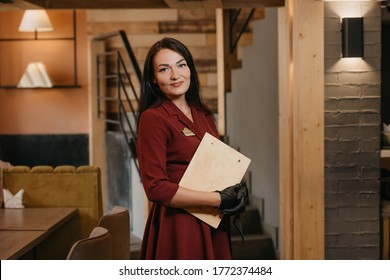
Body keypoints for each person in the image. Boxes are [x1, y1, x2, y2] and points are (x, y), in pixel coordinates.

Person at [136, 37, 248, 260]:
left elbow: (214, 163)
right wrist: (217, 199)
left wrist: (236, 189)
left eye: (181, 65)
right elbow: (156, 188)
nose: (176, 75)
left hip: (212, 221)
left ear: (189, 68)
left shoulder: (203, 113)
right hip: (179, 225)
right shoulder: (153, 118)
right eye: (164, 69)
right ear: (154, 79)